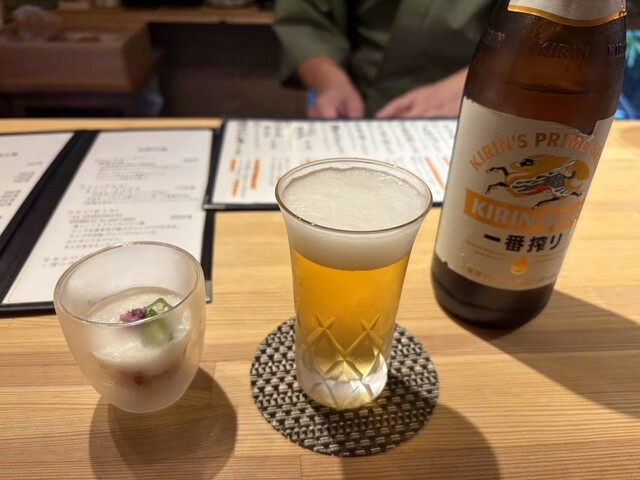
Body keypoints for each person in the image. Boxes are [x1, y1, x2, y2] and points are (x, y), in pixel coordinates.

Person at [272, 0, 496, 119]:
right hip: (361, 110)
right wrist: (330, 81)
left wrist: (477, 84)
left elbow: (519, 31)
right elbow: (304, 16)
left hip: (480, 109)